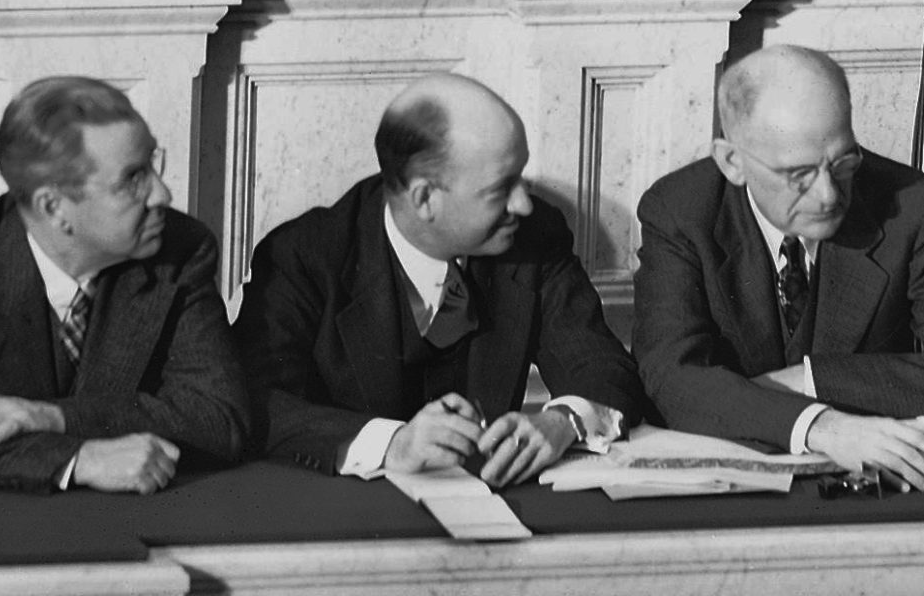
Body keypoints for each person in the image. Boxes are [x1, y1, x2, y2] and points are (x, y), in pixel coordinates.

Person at [634, 46, 924, 486]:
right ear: (732, 161)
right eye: (799, 175)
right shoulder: (680, 211)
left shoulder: (910, 206)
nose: (829, 195)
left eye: (844, 163)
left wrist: (810, 380)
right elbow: (670, 380)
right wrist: (820, 426)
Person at [236, 73, 647, 480]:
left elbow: (603, 366)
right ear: (425, 198)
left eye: (520, 176)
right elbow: (254, 400)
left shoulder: (535, 235)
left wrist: (564, 421)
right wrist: (392, 444)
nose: (523, 204)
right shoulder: (304, 256)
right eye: (500, 188)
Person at [0, 77, 246, 492]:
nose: (162, 193)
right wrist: (76, 460)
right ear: (53, 207)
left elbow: (220, 418)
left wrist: (56, 418)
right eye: (133, 178)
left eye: (153, 164)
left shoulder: (181, 250)